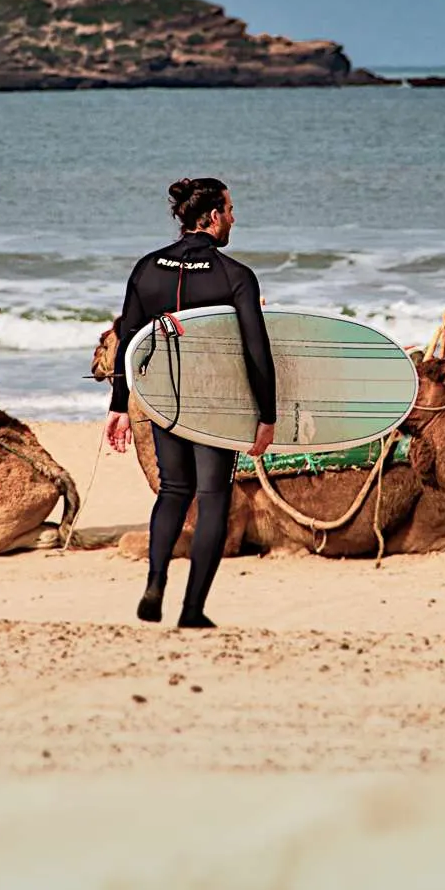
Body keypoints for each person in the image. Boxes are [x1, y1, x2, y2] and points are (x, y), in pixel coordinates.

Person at [105, 178, 275, 630]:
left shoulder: (145, 269)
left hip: (165, 400)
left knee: (174, 491)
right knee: (214, 497)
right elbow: (257, 352)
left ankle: (155, 582)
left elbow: (129, 344)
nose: (234, 217)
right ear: (214, 216)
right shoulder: (234, 275)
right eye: (231, 209)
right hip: (215, 404)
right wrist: (267, 415)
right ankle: (192, 608)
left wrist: (119, 405)